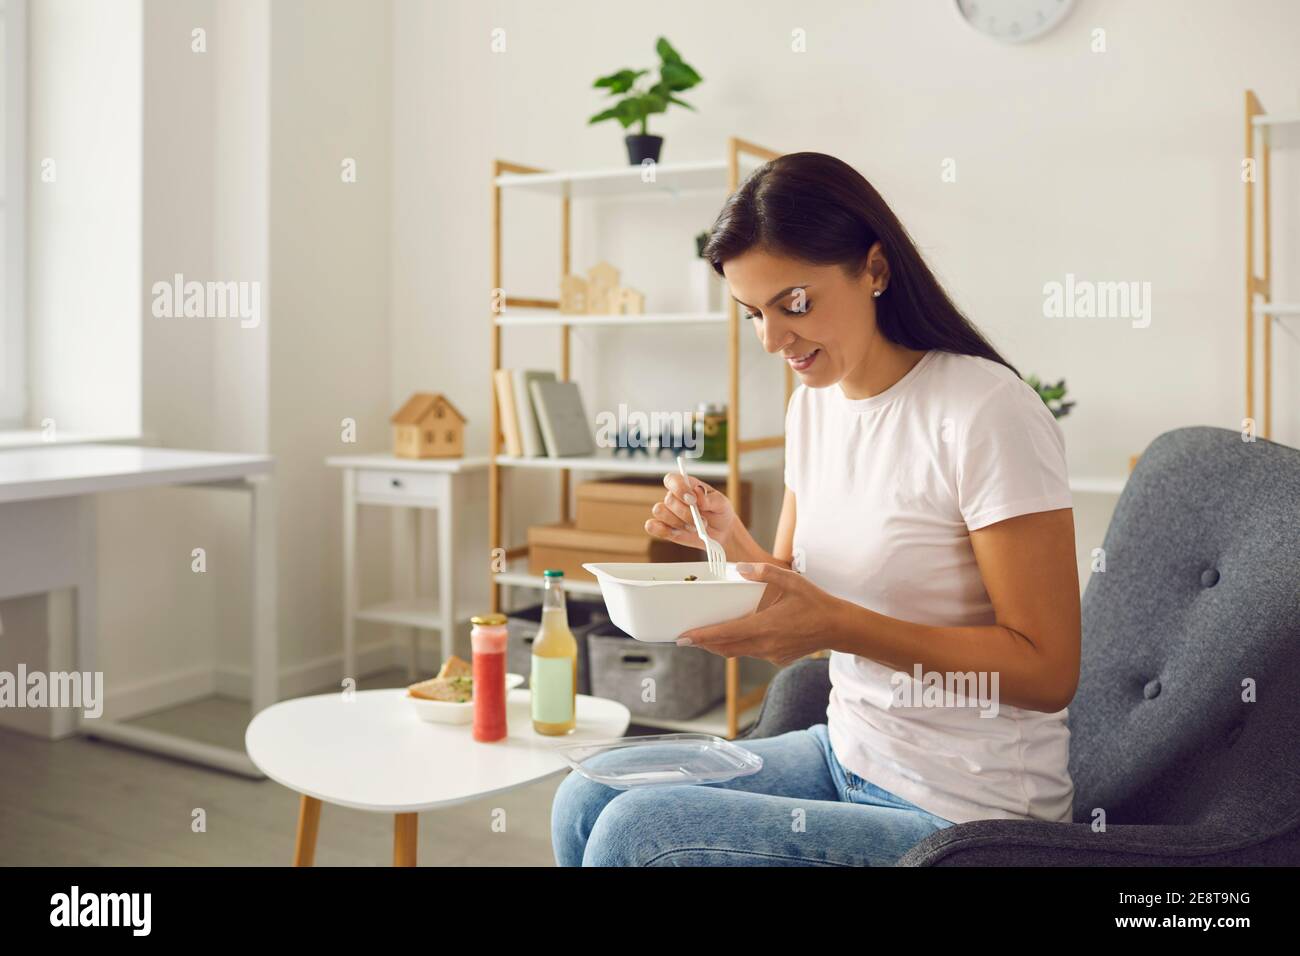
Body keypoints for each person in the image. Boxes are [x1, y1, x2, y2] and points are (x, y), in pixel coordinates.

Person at [552, 152, 1079, 867]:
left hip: (968, 808)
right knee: (586, 796)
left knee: (635, 832)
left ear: (875, 270)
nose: (773, 339)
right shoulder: (814, 409)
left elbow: (1048, 670)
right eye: (753, 314)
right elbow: (788, 587)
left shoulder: (984, 411)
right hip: (848, 750)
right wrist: (724, 534)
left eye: (794, 303)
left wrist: (840, 626)